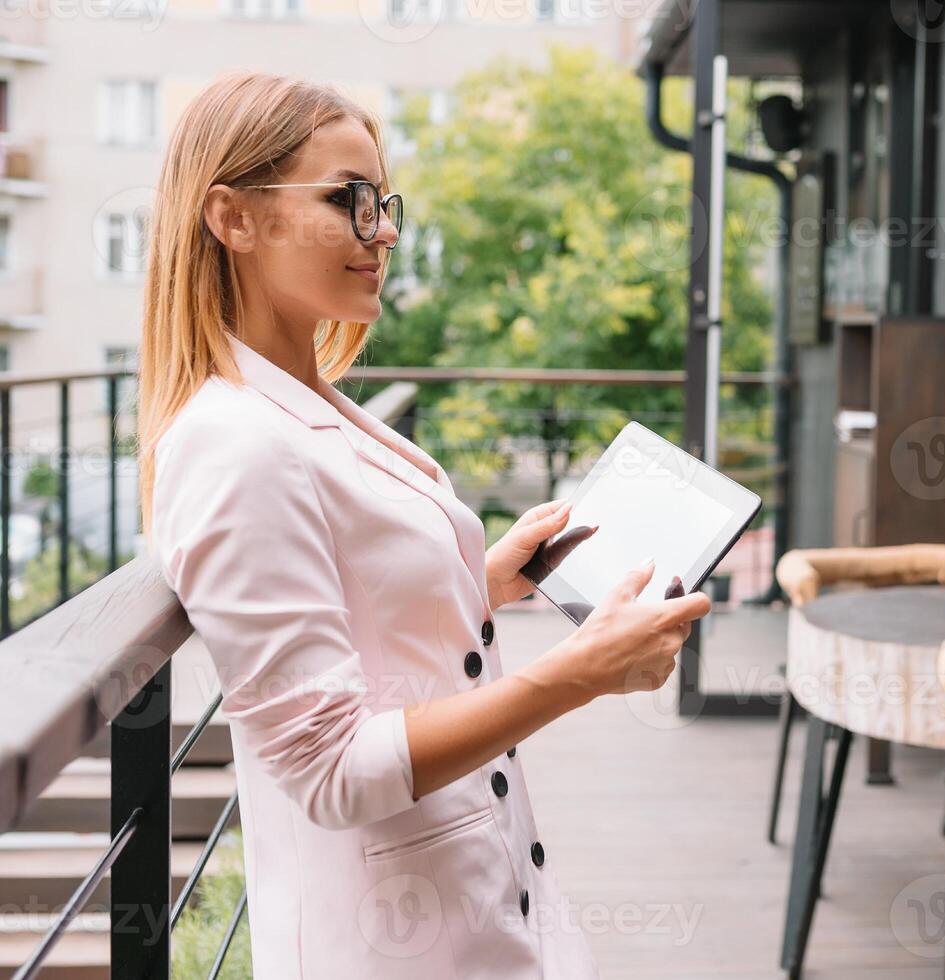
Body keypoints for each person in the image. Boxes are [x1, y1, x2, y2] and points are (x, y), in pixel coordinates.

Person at [137, 69, 710, 979]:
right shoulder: (232, 445)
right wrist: (583, 673)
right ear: (232, 218)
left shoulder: (299, 403)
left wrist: (484, 579)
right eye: (350, 202)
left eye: (384, 202)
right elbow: (327, 770)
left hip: (480, 900)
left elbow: (337, 603)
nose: (386, 232)